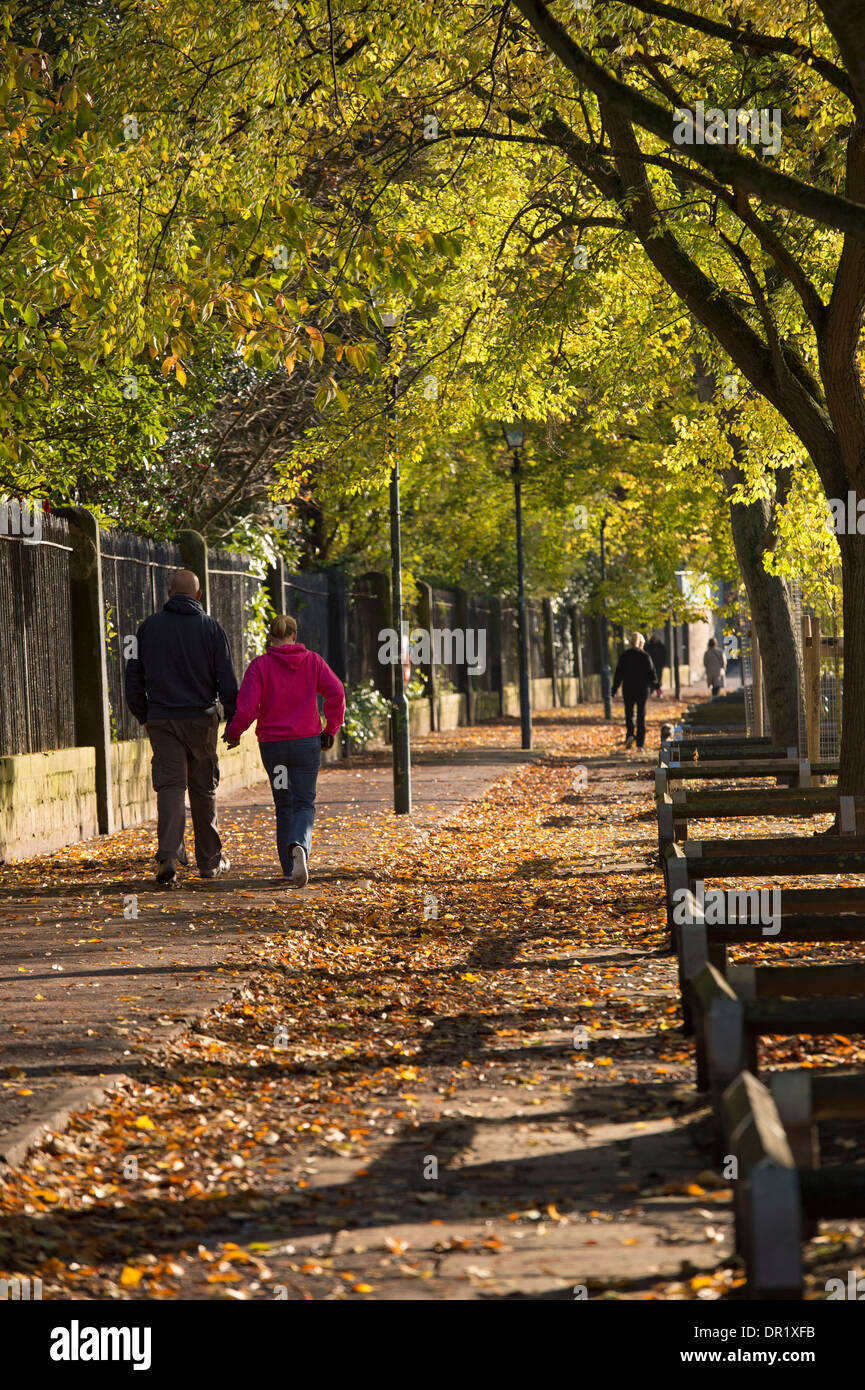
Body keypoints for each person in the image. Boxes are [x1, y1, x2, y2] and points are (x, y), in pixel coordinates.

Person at [125, 569, 238, 885]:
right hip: (201, 719)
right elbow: (226, 678)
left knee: (171, 787)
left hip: (162, 719)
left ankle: (169, 857)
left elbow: (132, 676)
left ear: (169, 594)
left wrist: (143, 714)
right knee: (203, 788)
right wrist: (232, 718)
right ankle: (209, 862)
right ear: (198, 596)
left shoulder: (146, 629)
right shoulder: (212, 629)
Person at [223, 615, 345, 887]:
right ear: (295, 635)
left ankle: (289, 869)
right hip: (306, 746)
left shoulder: (260, 666)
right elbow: (336, 692)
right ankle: (300, 845)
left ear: (270, 637)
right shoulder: (313, 662)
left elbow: (246, 709)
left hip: (274, 748)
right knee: (304, 803)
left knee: (284, 804)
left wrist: (233, 733)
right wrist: (330, 728)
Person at [611, 631, 657, 750]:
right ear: (641, 643)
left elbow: (618, 674)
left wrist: (614, 688)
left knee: (629, 713)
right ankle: (640, 743)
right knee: (641, 715)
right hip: (642, 689)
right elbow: (652, 674)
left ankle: (630, 734)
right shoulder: (645, 656)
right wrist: (656, 686)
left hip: (628, 689)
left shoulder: (625, 655)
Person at [644, 631, 667, 698]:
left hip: (659, 666)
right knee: (651, 680)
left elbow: (664, 656)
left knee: (658, 680)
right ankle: (652, 692)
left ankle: (658, 692)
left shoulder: (661, 647)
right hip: (650, 666)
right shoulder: (648, 647)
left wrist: (663, 664)